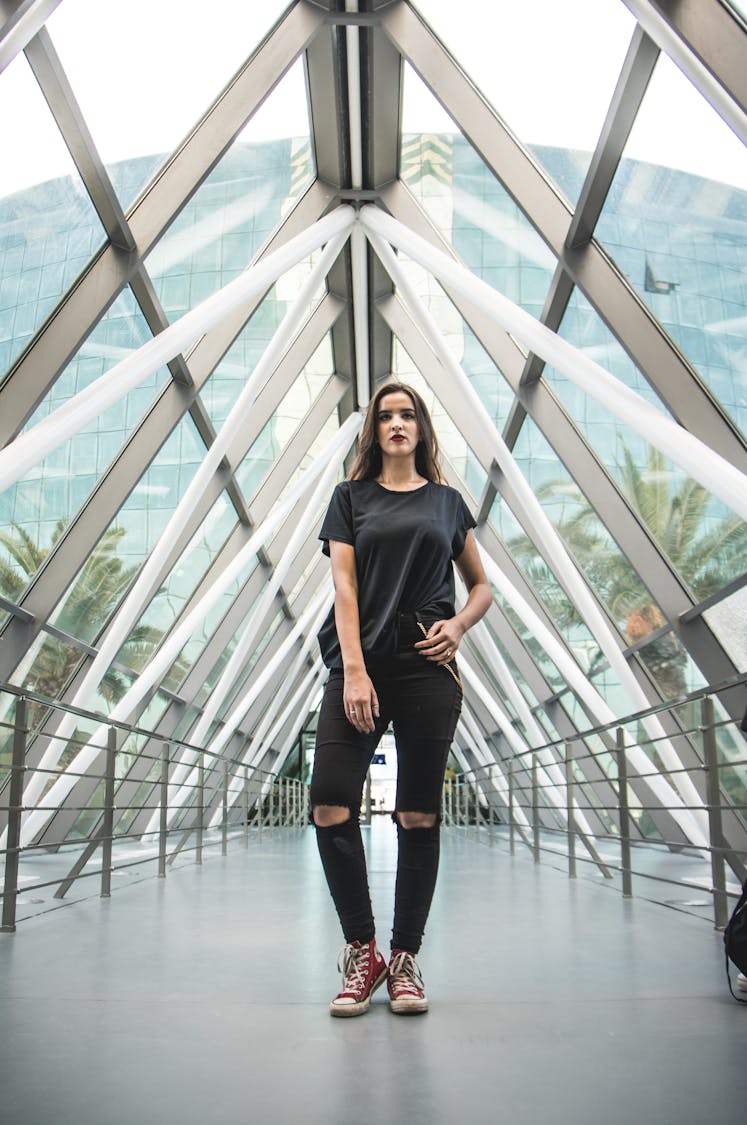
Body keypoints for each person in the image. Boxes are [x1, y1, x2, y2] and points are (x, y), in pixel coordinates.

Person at [310, 382, 492, 1017]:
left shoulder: (446, 503)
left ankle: (406, 957)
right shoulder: (349, 499)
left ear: (421, 428)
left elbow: (481, 586)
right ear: (373, 432)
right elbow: (344, 586)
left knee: (418, 815)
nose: (396, 424)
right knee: (331, 803)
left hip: (425, 667)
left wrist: (459, 625)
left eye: (407, 414)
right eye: (385, 416)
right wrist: (354, 671)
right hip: (359, 663)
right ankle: (364, 952)